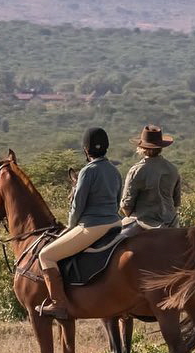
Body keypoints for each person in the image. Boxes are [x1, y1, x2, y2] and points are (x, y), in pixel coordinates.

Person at [36, 127, 123, 319]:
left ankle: (59, 304)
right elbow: (118, 202)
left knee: (46, 255)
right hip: (116, 224)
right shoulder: (115, 171)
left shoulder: (87, 171)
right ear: (106, 148)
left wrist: (71, 226)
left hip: (91, 226)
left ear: (86, 150)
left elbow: (77, 205)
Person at [120, 125, 181, 228]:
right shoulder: (172, 169)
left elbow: (126, 205)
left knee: (114, 240)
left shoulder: (137, 170)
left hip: (144, 222)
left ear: (141, 147)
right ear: (161, 147)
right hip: (171, 223)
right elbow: (176, 202)